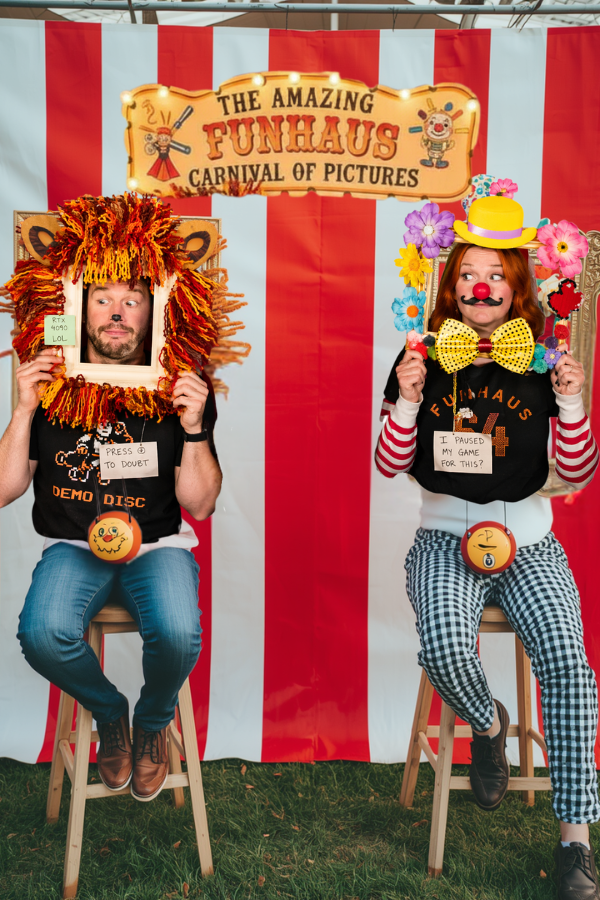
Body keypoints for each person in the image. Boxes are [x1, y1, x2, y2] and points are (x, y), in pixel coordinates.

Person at [376, 196, 600, 898]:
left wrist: (572, 401)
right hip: (446, 538)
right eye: (469, 273)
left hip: (529, 542)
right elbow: (387, 463)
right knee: (445, 644)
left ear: (517, 285)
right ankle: (487, 721)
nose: (482, 286)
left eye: (496, 274)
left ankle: (575, 842)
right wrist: (407, 399)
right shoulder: (419, 355)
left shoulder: (545, 357)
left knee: (568, 664)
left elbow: (578, 471)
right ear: (451, 284)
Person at [0, 275, 222, 802]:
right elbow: (5, 489)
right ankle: (110, 712)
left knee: (178, 633)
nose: (116, 312)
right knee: (42, 633)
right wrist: (23, 408)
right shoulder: (51, 385)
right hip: (73, 548)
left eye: (131, 300)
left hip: (157, 547)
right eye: (102, 299)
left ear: (154, 312)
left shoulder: (179, 384)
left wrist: (194, 426)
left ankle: (152, 721)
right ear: (80, 310)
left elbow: (200, 505)